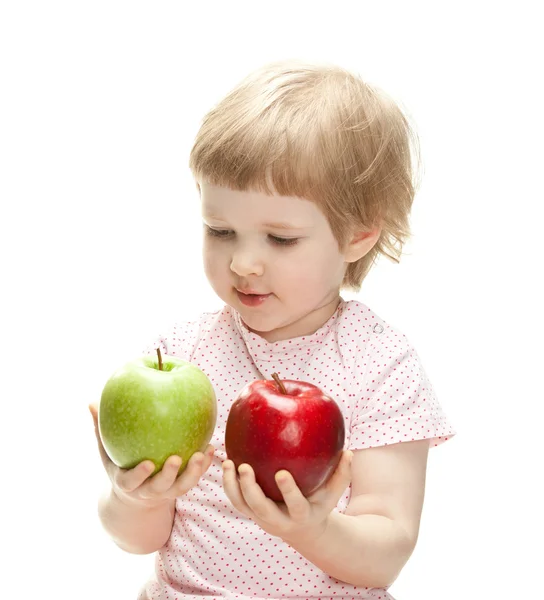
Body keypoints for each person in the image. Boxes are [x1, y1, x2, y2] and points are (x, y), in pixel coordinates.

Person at [90, 59, 455, 600]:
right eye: (221, 230)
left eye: (280, 239)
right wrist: (134, 498)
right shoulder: (185, 354)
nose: (243, 263)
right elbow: (141, 541)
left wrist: (313, 528)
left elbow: (386, 550)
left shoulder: (380, 363)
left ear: (358, 236)